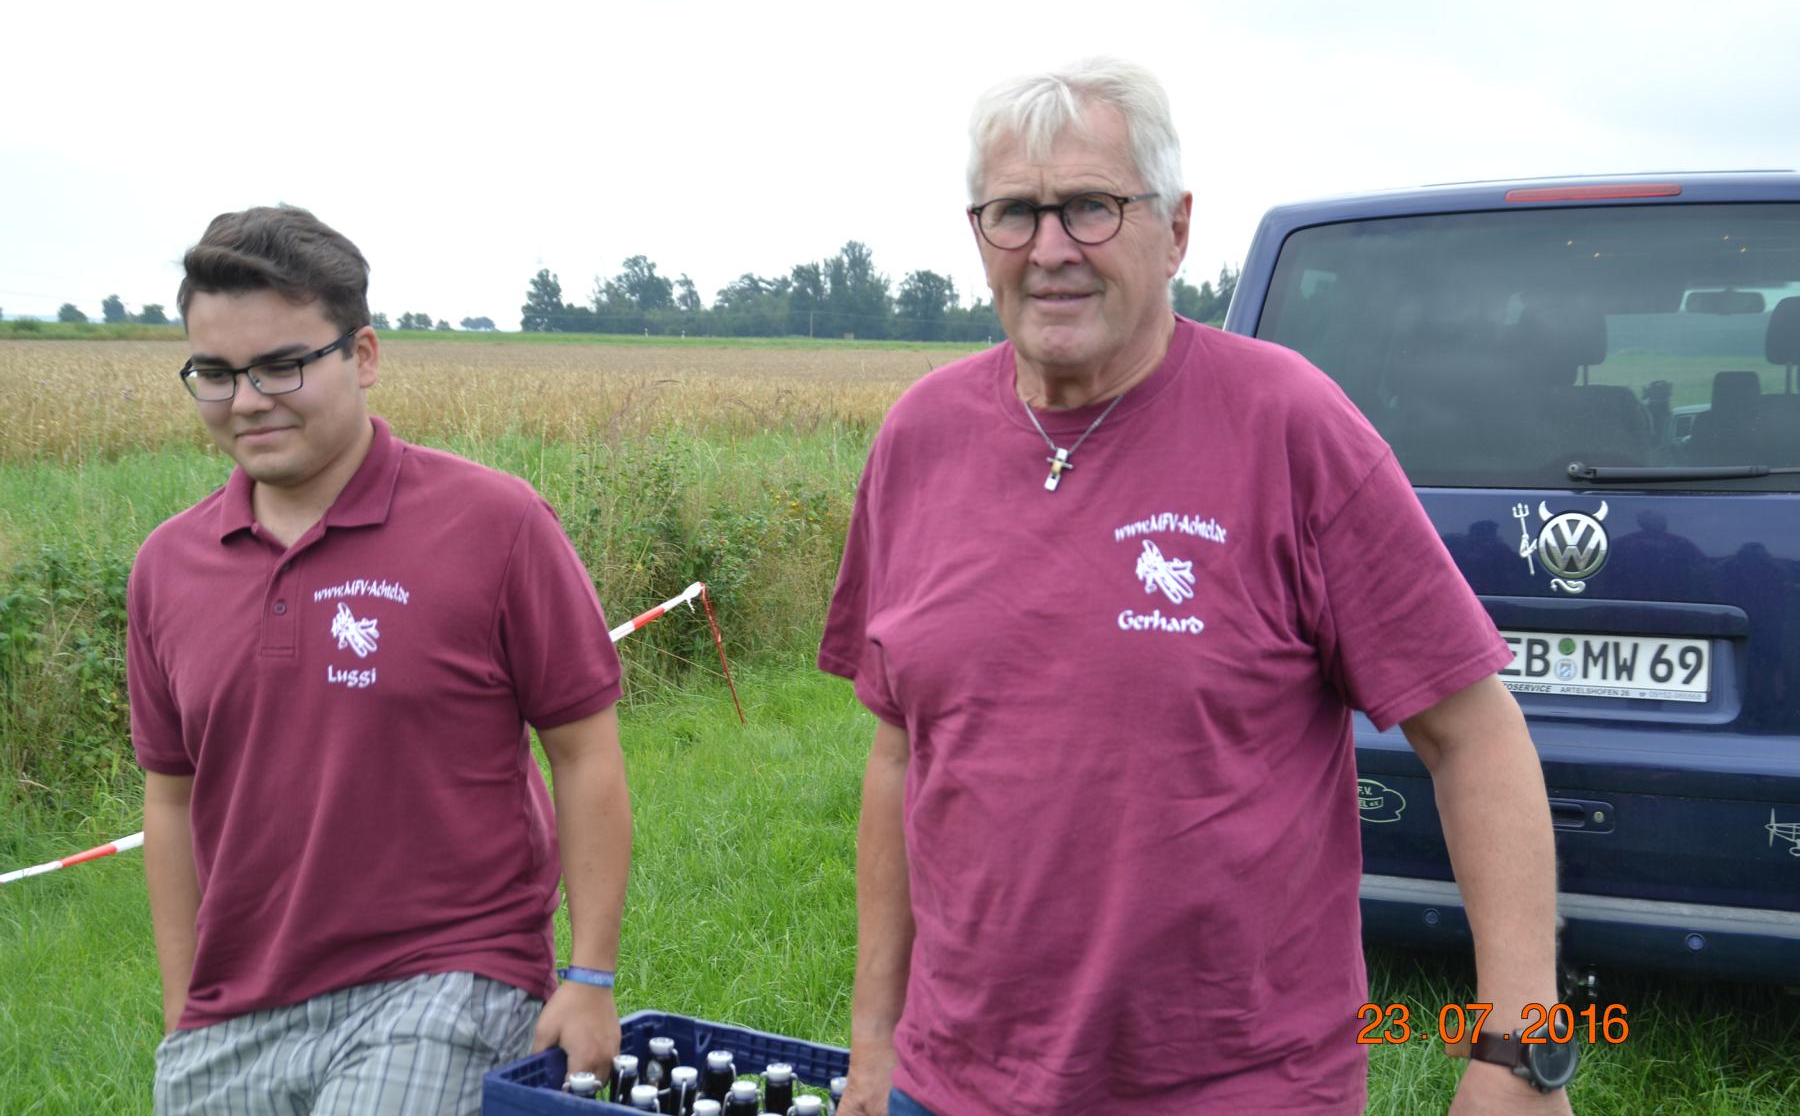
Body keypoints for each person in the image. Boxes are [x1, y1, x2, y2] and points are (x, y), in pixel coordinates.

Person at [818, 60, 1574, 1115]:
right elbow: (901, 750)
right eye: (1015, 213)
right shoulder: (920, 439)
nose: (1050, 249)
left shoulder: (1289, 426)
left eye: (1091, 206)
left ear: (1174, 230)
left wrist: (1520, 1049)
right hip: (951, 1084)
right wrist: (874, 1042)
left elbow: (1474, 734)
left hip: (1239, 1088)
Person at [129, 206, 632, 1115]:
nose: (248, 400)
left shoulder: (496, 524)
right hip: (231, 1019)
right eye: (216, 373)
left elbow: (584, 751)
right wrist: (181, 1012)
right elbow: (169, 799)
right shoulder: (167, 567)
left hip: (444, 982)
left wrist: (589, 974)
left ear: (361, 355)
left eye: (282, 365)